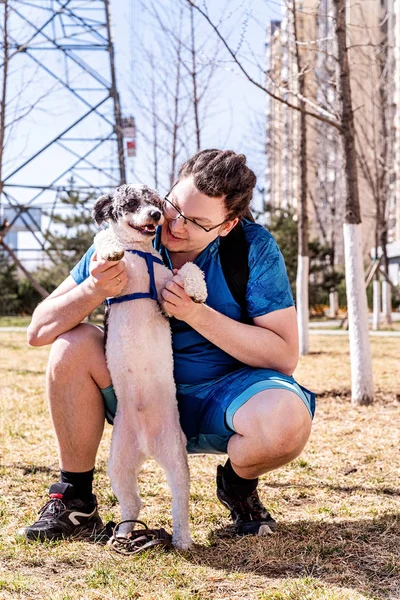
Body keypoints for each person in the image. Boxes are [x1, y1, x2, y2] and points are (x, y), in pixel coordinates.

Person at [19, 149, 315, 542]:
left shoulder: (251, 247)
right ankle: (76, 499)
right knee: (71, 343)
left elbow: (283, 355)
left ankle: (238, 486)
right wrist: (93, 289)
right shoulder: (130, 228)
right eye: (173, 204)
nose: (173, 225)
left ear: (226, 225)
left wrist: (197, 315)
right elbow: (38, 330)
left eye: (196, 222)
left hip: (223, 395)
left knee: (287, 421)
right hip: (132, 390)